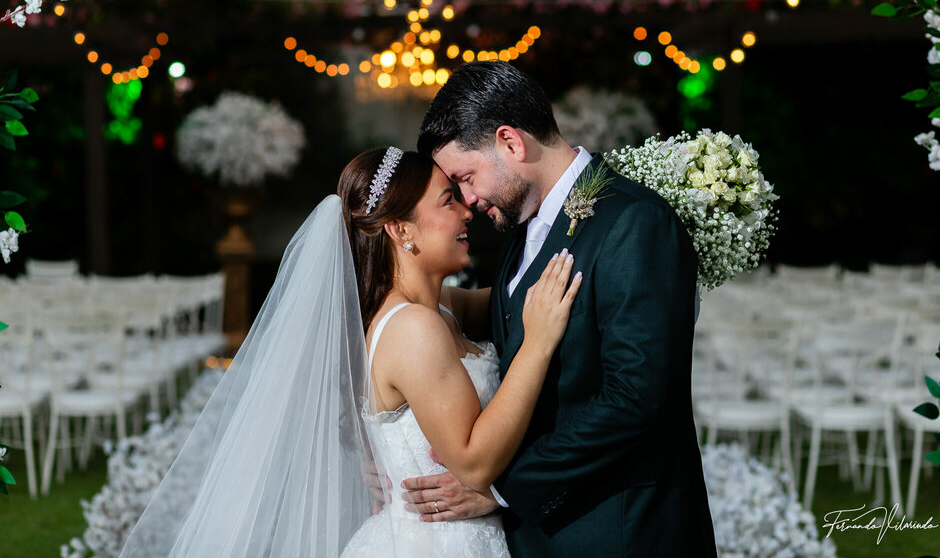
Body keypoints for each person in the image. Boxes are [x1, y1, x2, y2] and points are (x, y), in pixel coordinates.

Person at [118, 146, 580, 558]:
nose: (467, 212)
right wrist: (536, 347)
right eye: (448, 200)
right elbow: (474, 461)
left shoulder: (437, 308)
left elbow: (511, 300)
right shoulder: (413, 327)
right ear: (400, 229)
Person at [406, 60, 719, 557]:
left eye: (466, 177)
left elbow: (637, 399)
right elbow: (499, 321)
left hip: (619, 532)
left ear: (511, 142)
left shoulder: (636, 222)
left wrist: (504, 487)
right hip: (541, 536)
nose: (468, 199)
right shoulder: (521, 229)